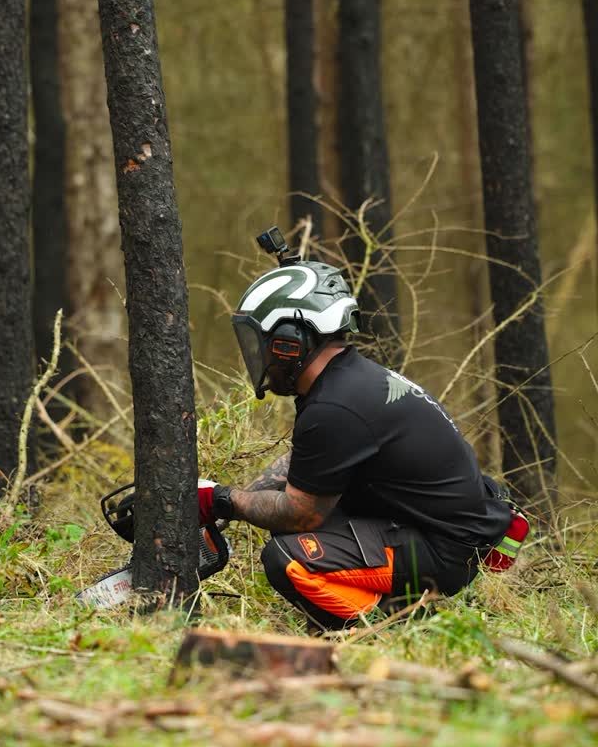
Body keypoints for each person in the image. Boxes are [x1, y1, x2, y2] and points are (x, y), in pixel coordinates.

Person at [198, 254, 522, 631]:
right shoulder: (351, 382)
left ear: (290, 342)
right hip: (439, 530)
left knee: (288, 556)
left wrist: (223, 498)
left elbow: (300, 512)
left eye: (265, 342)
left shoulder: (335, 405)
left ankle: (390, 626)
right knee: (288, 523)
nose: (261, 354)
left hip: (445, 551)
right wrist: (220, 508)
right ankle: (391, 605)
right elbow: (309, 467)